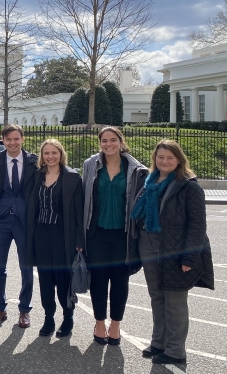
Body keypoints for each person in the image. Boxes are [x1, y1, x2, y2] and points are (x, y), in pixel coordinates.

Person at [131, 140, 214, 365]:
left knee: (175, 300)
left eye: (169, 157)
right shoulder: (149, 181)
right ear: (154, 159)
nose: (164, 161)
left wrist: (189, 257)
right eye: (160, 157)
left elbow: (198, 225)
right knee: (157, 296)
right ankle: (159, 342)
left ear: (179, 159)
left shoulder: (189, 186)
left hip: (174, 248)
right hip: (148, 242)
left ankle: (176, 350)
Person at [82, 127, 148, 346]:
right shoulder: (90, 165)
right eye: (104, 140)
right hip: (96, 233)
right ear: (99, 143)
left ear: (121, 141)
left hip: (124, 234)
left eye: (112, 140)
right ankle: (100, 322)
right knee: (98, 279)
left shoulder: (136, 169)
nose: (108, 144)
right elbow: (84, 199)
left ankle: (116, 324)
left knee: (120, 281)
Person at [25, 140, 84, 338]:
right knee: (45, 279)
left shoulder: (72, 178)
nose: (50, 156)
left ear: (61, 154)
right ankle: (49, 317)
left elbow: (78, 213)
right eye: (47, 153)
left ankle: (68, 317)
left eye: (54, 153)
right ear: (42, 156)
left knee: (63, 278)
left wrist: (79, 241)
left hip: (62, 235)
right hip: (41, 233)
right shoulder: (37, 175)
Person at [0, 124, 38, 328]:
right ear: (3, 141)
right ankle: (0, 307)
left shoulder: (34, 162)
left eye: (16, 139)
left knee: (26, 267)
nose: (12, 142)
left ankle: (25, 309)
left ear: (22, 139)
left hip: (25, 220)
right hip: (0, 220)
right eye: (9, 139)